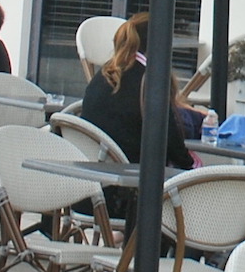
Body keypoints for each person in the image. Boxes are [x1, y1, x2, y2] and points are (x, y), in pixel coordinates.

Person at [79, 12, 191, 169]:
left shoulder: (103, 75)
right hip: (134, 180)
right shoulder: (151, 82)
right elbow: (171, 142)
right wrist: (192, 167)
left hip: (93, 173)